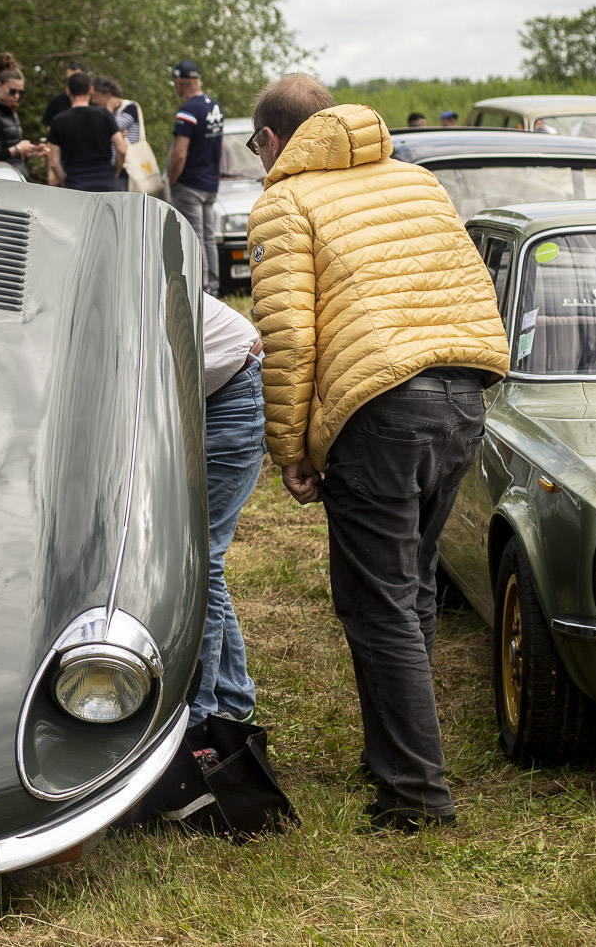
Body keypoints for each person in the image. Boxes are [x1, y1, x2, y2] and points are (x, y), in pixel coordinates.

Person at [245, 74, 508, 832]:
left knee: (378, 599)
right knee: (413, 583)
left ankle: (417, 795)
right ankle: (393, 757)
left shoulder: (286, 202)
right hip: (462, 396)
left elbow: (290, 338)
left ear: (270, 139)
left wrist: (290, 446)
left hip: (379, 409)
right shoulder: (418, 183)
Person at [194, 292, 265, 727]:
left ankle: (197, 720)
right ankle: (233, 700)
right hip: (203, 392)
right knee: (204, 560)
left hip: (230, 392)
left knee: (198, 562)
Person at [165, 59, 224, 293]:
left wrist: (171, 179)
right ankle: (214, 288)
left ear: (180, 81)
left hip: (190, 185)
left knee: (194, 237)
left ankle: (203, 292)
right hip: (210, 183)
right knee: (209, 237)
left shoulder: (188, 110)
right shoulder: (214, 106)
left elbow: (180, 153)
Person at [46, 70, 127, 191]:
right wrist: (114, 173)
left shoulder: (58, 121)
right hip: (106, 183)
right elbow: (122, 149)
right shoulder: (104, 114)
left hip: (76, 185)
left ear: (68, 92)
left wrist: (64, 182)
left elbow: (54, 163)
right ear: (91, 90)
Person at [0, 53, 43, 169]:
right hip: (0, 179)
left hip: (14, 175)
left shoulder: (10, 109)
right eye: (12, 91)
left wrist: (31, 152)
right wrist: (16, 149)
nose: (16, 96)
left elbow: (9, 152)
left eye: (20, 92)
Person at [91, 75, 143, 170]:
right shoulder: (102, 112)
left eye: (95, 96)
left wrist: (109, 109)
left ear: (107, 93)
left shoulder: (129, 108)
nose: (93, 101)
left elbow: (105, 130)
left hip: (126, 168)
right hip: (107, 168)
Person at [41, 60, 87, 129]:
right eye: (69, 79)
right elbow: (50, 128)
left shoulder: (95, 101)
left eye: (76, 79)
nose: (72, 82)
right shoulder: (56, 101)